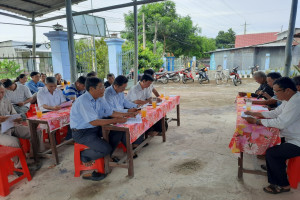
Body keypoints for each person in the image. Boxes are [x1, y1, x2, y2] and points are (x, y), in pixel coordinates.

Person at [242, 77, 300, 194]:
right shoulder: (290, 99)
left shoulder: (296, 102)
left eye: (276, 91)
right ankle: (274, 168)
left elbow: (281, 122)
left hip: (297, 141)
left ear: (287, 90)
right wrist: (255, 114)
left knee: (272, 153)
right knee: (270, 144)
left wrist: (257, 121)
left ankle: (283, 185)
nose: (274, 94)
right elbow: (275, 112)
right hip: (291, 136)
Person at [70, 77, 135, 181]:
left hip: (95, 128)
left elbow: (110, 112)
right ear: (91, 89)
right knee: (105, 148)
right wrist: (115, 120)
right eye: (100, 87)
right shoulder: (83, 101)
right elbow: (94, 121)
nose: (104, 89)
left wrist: (127, 114)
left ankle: (107, 157)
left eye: (103, 87)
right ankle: (84, 156)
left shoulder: (100, 97)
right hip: (82, 132)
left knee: (118, 131)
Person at [0, 83, 44, 170]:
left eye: (2, 92)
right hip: (1, 133)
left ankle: (34, 155)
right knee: (14, 142)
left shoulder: (6, 101)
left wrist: (17, 118)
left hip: (11, 126)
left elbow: (14, 114)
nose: (1, 95)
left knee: (35, 131)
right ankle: (19, 166)